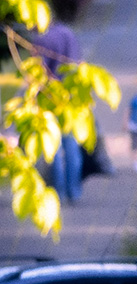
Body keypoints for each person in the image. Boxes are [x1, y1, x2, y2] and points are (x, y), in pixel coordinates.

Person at [30, 21, 84, 201]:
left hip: (49, 99)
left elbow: (39, 73)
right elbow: (79, 63)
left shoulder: (41, 40)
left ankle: (58, 192)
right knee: (72, 147)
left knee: (53, 149)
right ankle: (74, 191)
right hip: (71, 99)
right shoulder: (68, 32)